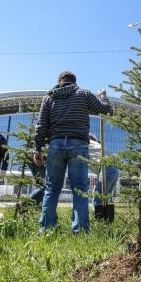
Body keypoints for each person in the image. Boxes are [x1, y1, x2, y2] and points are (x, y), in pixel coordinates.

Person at [34, 71, 112, 233]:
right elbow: (106, 111)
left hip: (55, 144)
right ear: (74, 82)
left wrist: (37, 149)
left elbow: (41, 126)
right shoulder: (83, 94)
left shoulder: (49, 98)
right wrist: (103, 96)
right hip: (78, 144)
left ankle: (46, 229)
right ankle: (80, 230)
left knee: (51, 188)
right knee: (80, 189)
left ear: (59, 81)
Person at [88, 133, 119, 221]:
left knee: (97, 198)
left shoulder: (87, 143)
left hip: (106, 169)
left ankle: (98, 221)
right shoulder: (98, 145)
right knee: (105, 199)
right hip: (114, 170)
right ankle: (107, 221)